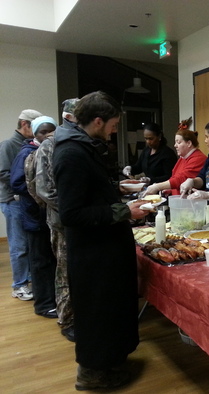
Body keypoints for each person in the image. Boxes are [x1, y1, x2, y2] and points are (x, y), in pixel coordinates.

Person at [53, 91, 149, 390]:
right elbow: (72, 212)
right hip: (93, 253)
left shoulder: (86, 146)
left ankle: (111, 362)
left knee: (111, 311)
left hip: (106, 248)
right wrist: (124, 210)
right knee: (98, 314)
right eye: (114, 124)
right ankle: (93, 374)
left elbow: (91, 190)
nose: (115, 129)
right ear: (97, 121)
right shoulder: (71, 152)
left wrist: (117, 190)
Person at [34, 98, 79, 341]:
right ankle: (67, 320)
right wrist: (73, 208)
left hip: (75, 220)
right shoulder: (50, 145)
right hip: (62, 220)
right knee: (64, 272)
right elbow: (44, 189)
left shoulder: (73, 142)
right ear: (69, 117)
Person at [11, 116, 58, 318]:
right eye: (42, 132)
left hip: (48, 217)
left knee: (50, 259)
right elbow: (17, 183)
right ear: (34, 133)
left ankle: (52, 299)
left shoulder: (51, 152)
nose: (47, 135)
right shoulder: (27, 153)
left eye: (51, 131)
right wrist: (39, 192)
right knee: (39, 262)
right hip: (35, 217)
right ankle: (44, 304)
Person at [0, 109, 42, 300]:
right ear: (25, 125)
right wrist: (30, 185)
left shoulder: (27, 144)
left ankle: (29, 279)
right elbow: (3, 174)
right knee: (19, 245)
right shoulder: (8, 145)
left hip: (26, 201)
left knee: (28, 242)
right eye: (34, 127)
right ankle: (19, 285)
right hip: (13, 201)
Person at [144, 128, 206, 196]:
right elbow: (175, 177)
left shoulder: (197, 159)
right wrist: (171, 189)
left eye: (178, 142)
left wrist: (157, 186)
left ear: (189, 143)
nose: (175, 145)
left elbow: (181, 179)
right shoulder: (183, 157)